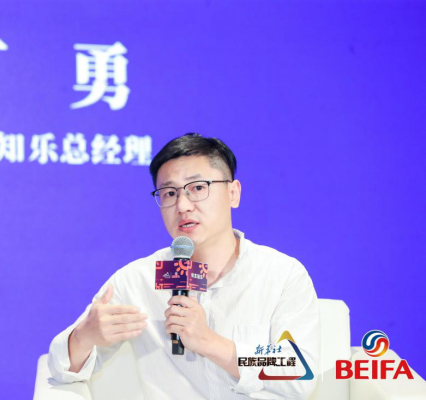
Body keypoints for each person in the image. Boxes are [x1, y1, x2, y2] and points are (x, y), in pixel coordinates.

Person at [48, 133, 320, 399]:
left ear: (233, 193)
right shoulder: (137, 280)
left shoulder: (281, 274)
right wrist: (84, 337)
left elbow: (299, 371)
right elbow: (61, 369)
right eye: (169, 193)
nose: (183, 205)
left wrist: (209, 342)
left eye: (198, 188)